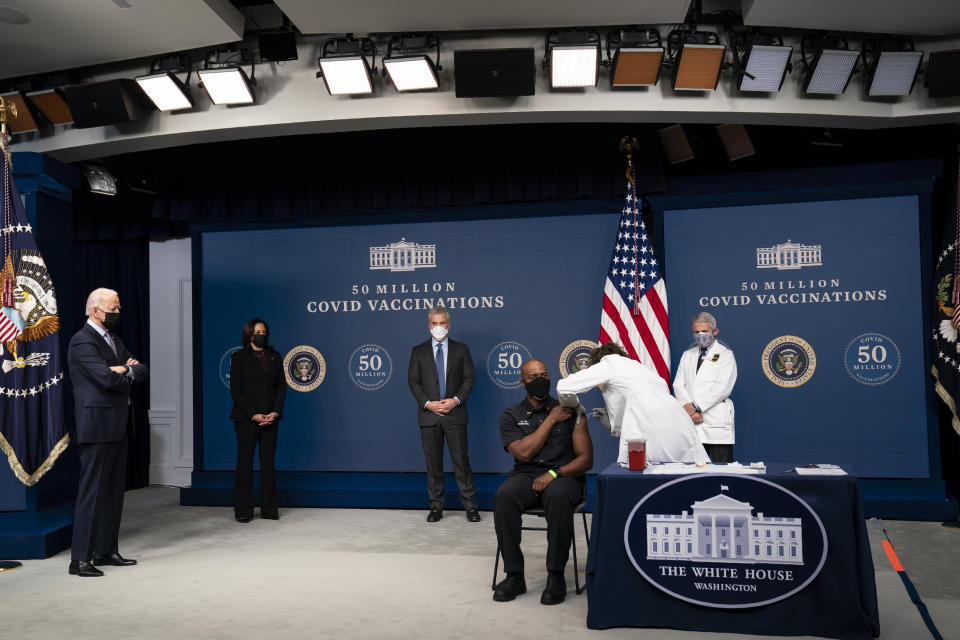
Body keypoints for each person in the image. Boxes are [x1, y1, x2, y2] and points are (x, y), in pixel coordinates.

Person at [493, 358, 593, 605]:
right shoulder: (510, 416)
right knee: (503, 497)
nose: (540, 380)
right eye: (533, 377)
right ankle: (514, 575)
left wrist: (555, 474)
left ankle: (556, 575)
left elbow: (586, 460)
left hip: (564, 475)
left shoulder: (573, 410)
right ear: (522, 382)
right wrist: (550, 420)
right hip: (526, 474)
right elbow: (524, 453)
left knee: (558, 498)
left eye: (544, 375)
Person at [67, 288, 148, 577]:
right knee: (92, 493)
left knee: (114, 493)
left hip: (118, 424)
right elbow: (104, 378)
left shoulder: (114, 340)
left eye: (118, 308)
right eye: (112, 308)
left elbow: (142, 370)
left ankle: (105, 551)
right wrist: (125, 371)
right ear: (95, 310)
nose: (117, 312)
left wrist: (123, 370)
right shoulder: (81, 342)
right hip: (97, 426)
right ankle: (80, 560)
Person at [556, 342, 708, 465]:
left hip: (649, 429)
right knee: (688, 479)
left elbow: (563, 387)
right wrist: (613, 423)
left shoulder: (608, 363)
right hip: (681, 425)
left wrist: (575, 407)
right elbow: (637, 403)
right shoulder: (643, 370)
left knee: (640, 483)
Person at [407, 305, 480, 523]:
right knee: (433, 465)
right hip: (429, 417)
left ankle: (471, 507)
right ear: (429, 325)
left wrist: (455, 400)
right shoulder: (418, 351)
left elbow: (469, 379)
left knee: (461, 463)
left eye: (442, 323)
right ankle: (436, 507)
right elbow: (414, 382)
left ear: (449, 324)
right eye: (434, 323)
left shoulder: (461, 350)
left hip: (455, 415)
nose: (438, 327)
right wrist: (428, 404)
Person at [229, 318, 287, 522]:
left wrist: (276, 412)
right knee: (244, 463)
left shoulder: (275, 356)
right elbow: (236, 390)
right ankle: (243, 512)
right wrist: (253, 414)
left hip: (271, 418)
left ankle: (269, 510)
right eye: (257, 332)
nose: (261, 335)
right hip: (246, 419)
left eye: (264, 331)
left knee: (268, 463)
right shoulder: (238, 357)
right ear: (249, 335)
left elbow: (281, 387)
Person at [673, 312, 737, 463]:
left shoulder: (726, 355)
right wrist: (690, 411)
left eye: (705, 331)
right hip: (692, 422)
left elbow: (723, 387)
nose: (700, 335)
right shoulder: (687, 355)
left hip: (716, 423)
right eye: (697, 332)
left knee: (722, 472)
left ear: (715, 331)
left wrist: (696, 406)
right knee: (692, 472)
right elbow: (678, 384)